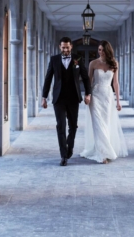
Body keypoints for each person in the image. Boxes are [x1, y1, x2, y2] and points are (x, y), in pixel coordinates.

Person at [42, 37, 91, 166]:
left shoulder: (78, 59)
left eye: (67, 47)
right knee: (60, 126)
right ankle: (63, 155)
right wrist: (44, 97)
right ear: (60, 47)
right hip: (59, 98)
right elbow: (48, 78)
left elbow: (86, 78)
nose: (65, 50)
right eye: (63, 47)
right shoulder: (54, 60)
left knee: (73, 126)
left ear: (71, 47)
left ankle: (70, 147)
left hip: (74, 97)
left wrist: (88, 94)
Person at [80, 40, 128, 164]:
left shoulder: (114, 64)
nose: (100, 52)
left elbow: (115, 83)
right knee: (98, 125)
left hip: (107, 97)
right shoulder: (93, 63)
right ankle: (103, 154)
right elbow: (89, 81)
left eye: (102, 50)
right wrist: (88, 95)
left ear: (107, 51)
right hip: (95, 96)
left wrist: (118, 101)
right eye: (99, 50)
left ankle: (104, 149)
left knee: (105, 124)